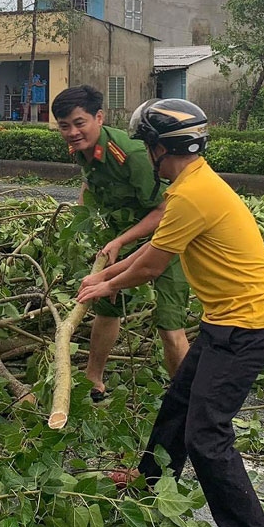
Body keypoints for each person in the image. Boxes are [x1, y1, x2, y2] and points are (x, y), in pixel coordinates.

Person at [78, 98, 264, 527]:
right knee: (180, 401)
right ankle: (150, 477)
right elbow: (156, 244)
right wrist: (109, 272)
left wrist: (105, 285)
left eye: (146, 145)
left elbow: (155, 265)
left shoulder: (193, 194)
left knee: (207, 433)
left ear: (156, 148)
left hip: (245, 328)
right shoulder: (192, 184)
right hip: (228, 321)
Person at [51, 85, 192, 400]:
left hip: (167, 238)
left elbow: (165, 209)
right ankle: (94, 379)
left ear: (98, 118)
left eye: (79, 123)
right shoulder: (83, 150)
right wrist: (79, 223)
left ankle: (185, 399)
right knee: (105, 303)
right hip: (122, 235)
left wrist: (121, 241)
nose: (72, 132)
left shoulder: (131, 154)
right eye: (64, 126)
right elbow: (89, 183)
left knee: (169, 325)